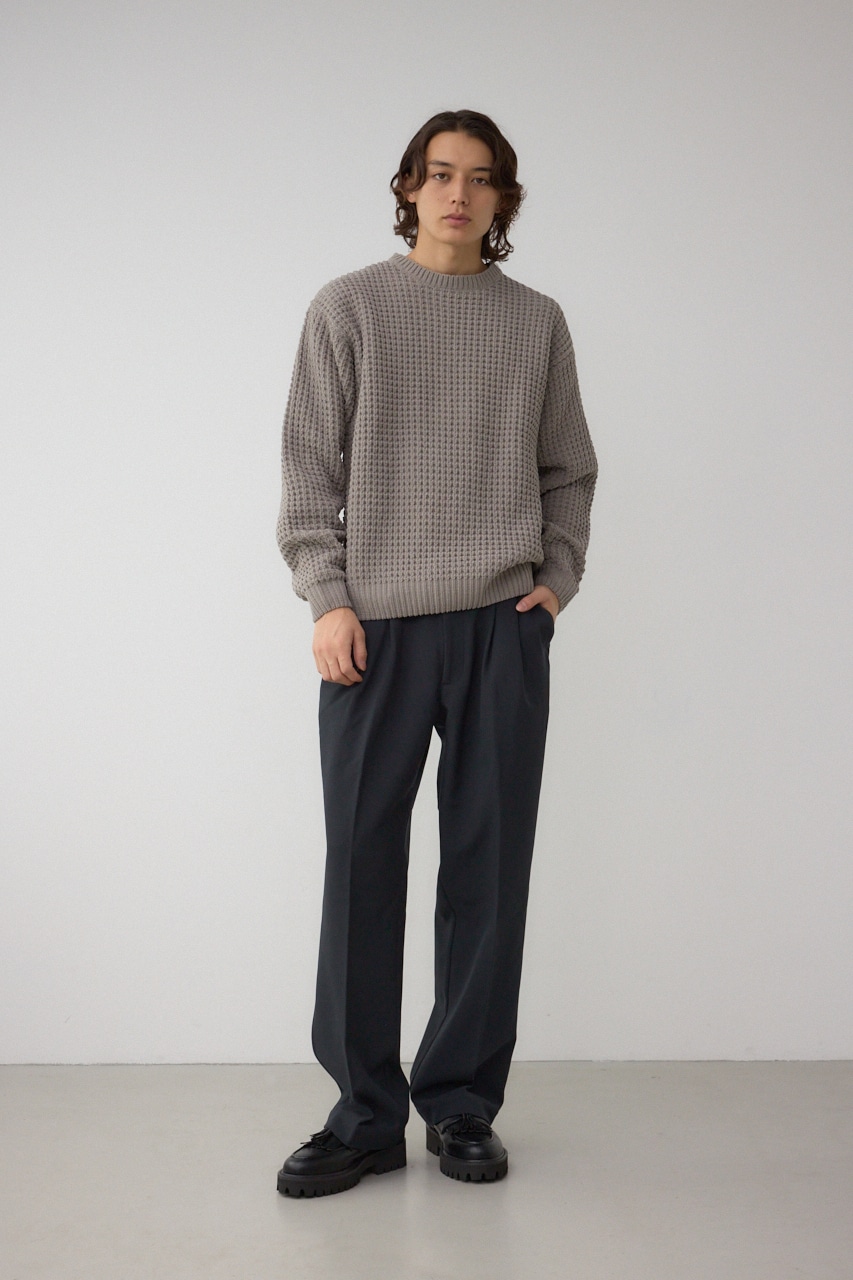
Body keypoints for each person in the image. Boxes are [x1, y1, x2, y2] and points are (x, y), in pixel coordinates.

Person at [274, 108, 597, 1197]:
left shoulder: (535, 321)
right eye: (441, 173)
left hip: (502, 625)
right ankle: (362, 1114)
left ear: (503, 199)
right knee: (361, 866)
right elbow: (309, 472)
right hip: (374, 629)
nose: (459, 194)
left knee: (487, 871)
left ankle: (459, 1102)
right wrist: (327, 598)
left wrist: (556, 577)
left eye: (481, 178)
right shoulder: (350, 307)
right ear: (408, 186)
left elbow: (568, 468)